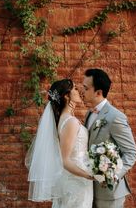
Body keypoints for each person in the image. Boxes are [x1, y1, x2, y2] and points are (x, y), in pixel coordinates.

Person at [26, 79, 93, 208]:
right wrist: (89, 176)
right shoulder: (71, 122)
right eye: (74, 89)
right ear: (67, 96)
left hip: (74, 177)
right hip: (76, 181)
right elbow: (64, 160)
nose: (78, 91)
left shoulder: (64, 120)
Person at [82, 68, 136, 208]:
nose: (82, 91)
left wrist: (111, 176)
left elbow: (131, 153)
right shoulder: (89, 113)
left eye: (86, 88)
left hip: (110, 194)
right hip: (88, 190)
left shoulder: (115, 117)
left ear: (98, 92)